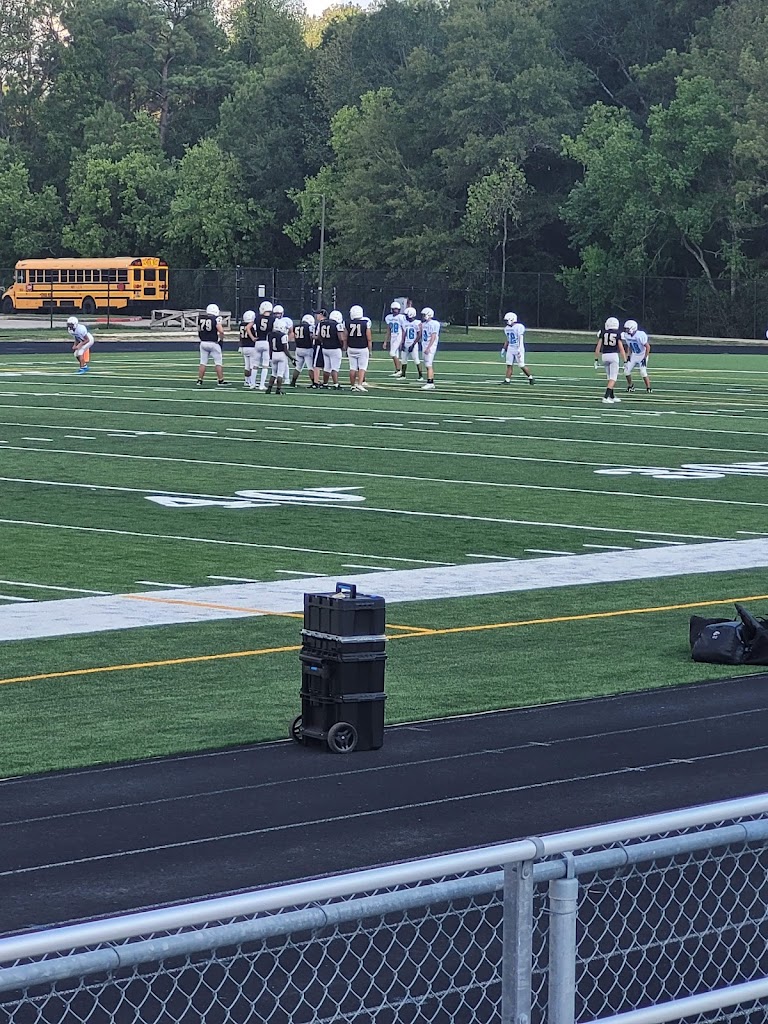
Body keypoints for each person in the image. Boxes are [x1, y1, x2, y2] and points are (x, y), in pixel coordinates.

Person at [595, 316, 626, 404]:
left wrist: (596, 359)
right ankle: (605, 397)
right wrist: (625, 360)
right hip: (613, 356)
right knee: (613, 378)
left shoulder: (602, 333)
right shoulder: (618, 334)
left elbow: (598, 347)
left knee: (609, 377)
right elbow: (621, 348)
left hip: (604, 356)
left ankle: (612, 396)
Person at [197, 303, 229, 386]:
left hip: (203, 342)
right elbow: (221, 331)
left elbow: (199, 330)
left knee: (203, 362)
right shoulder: (216, 318)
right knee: (218, 362)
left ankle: (200, 380)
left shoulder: (201, 318)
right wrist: (221, 340)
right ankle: (220, 380)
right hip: (213, 343)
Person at [501, 312, 534, 384]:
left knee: (521, 365)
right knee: (509, 364)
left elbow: (520, 338)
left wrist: (519, 349)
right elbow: (508, 339)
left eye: (507, 320)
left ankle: (530, 377)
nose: (506, 322)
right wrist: (504, 348)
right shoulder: (506, 328)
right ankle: (507, 380)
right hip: (510, 348)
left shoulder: (519, 327)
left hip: (518, 347)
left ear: (511, 319)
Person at [317, 309, 346, 389]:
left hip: (325, 348)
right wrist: (342, 346)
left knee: (327, 367)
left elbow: (319, 336)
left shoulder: (322, 323)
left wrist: (324, 342)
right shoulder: (337, 325)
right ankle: (336, 384)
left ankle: (325, 383)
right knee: (335, 368)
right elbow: (341, 338)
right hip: (335, 348)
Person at [347, 304, 372, 392]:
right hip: (362, 348)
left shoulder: (347, 323)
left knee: (352, 367)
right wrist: (370, 350)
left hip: (351, 347)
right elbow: (369, 338)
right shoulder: (365, 323)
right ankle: (360, 384)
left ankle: (352, 385)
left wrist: (345, 346)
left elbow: (345, 336)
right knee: (362, 367)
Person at [622, 319, 652, 393]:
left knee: (643, 372)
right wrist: (628, 355)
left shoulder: (640, 335)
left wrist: (645, 358)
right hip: (634, 355)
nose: (626, 330)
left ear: (633, 328)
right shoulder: (626, 335)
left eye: (627, 329)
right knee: (626, 371)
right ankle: (630, 386)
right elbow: (629, 346)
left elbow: (648, 347)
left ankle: (648, 388)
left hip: (642, 354)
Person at [253, 300, 275, 391]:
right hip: (266, 342)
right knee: (265, 365)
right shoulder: (273, 319)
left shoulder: (257, 318)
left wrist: (253, 337)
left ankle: (252, 383)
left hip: (258, 342)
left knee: (255, 364)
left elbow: (252, 327)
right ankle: (261, 385)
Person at [291, 314, 316, 387]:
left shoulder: (296, 326)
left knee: (298, 367)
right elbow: (311, 337)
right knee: (310, 367)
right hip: (308, 349)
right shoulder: (309, 327)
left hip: (298, 348)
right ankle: (314, 383)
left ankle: (293, 382)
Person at [265, 324, 291, 394]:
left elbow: (270, 347)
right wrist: (291, 358)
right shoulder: (283, 335)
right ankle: (278, 389)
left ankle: (269, 389)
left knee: (273, 373)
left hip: (274, 354)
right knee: (280, 374)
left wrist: (270, 357)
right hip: (281, 354)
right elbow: (285, 349)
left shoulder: (269, 335)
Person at [399, 307, 423, 380]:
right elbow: (404, 334)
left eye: (406, 315)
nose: (405, 316)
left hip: (413, 343)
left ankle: (421, 376)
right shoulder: (405, 323)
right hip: (406, 343)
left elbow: (419, 335)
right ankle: (403, 375)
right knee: (403, 359)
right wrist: (402, 343)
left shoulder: (417, 323)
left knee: (416, 359)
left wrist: (413, 344)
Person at [420, 308, 440, 390]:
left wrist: (428, 347)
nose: (423, 316)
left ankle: (430, 382)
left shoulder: (434, 324)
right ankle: (430, 381)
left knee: (429, 364)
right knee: (427, 364)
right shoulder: (424, 324)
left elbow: (433, 336)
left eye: (424, 315)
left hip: (430, 346)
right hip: (425, 345)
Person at [384, 301, 406, 375]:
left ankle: (399, 370)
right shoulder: (388, 317)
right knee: (395, 354)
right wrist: (385, 341)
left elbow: (403, 330)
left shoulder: (401, 317)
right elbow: (388, 330)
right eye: (394, 309)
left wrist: (402, 340)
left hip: (398, 336)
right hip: (393, 337)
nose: (395, 311)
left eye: (396, 309)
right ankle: (397, 370)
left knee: (392, 353)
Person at [238, 309, 258, 388]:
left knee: (247, 366)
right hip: (252, 346)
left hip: (244, 346)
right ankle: (252, 382)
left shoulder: (241, 325)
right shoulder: (253, 325)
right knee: (252, 366)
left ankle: (247, 380)